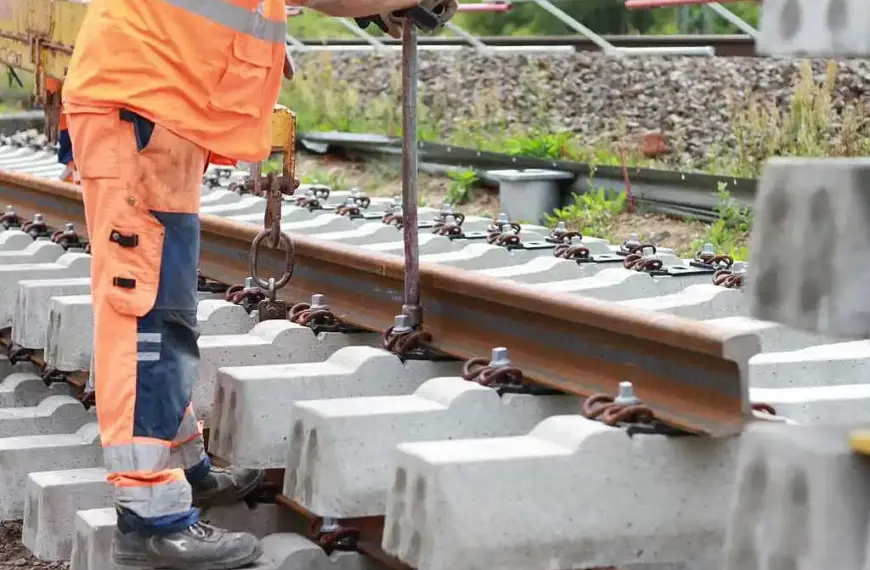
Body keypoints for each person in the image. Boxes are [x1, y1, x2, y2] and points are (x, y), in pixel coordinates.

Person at [60, 0, 456, 568]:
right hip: (141, 104)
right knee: (143, 309)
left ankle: (184, 468)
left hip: (156, 103)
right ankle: (150, 517)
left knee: (166, 307)